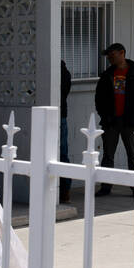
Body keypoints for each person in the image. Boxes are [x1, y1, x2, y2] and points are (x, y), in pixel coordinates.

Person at [93, 42, 134, 196]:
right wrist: (105, 116)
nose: (110, 58)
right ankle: (106, 187)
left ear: (122, 53)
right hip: (111, 122)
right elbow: (99, 98)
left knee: (133, 155)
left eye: (112, 55)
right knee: (108, 155)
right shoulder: (107, 75)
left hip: (130, 122)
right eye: (108, 56)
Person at [60, 59, 72, 203]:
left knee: (62, 154)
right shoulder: (64, 71)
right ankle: (65, 191)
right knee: (63, 153)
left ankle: (64, 190)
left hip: (60, 115)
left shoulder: (62, 72)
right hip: (61, 114)